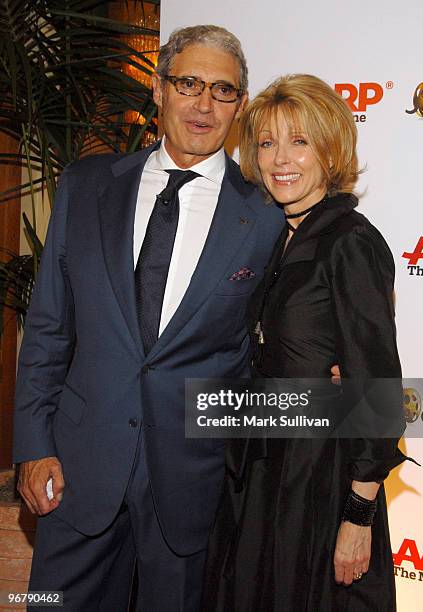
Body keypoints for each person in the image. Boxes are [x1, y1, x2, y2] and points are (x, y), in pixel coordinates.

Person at [13, 26, 285, 612]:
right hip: (78, 469)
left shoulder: (264, 214)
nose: (204, 104)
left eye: (223, 90)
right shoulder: (86, 187)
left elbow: (264, 348)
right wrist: (32, 444)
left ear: (239, 105)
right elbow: (49, 327)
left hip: (192, 482)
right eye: (188, 83)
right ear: (159, 90)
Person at [203, 74, 407, 611]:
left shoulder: (349, 243)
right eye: (267, 142)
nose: (280, 159)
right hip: (263, 468)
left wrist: (358, 517)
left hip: (321, 480)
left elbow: (379, 389)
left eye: (300, 140)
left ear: (329, 149)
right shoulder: (274, 236)